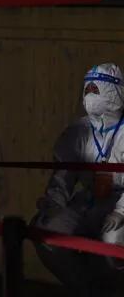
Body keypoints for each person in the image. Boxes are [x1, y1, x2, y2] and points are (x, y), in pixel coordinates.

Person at [32, 63, 124, 296]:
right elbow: (63, 176)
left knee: (113, 242)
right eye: (88, 89)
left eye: (97, 89)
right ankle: (85, 289)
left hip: (119, 203)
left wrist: (121, 212)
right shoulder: (78, 131)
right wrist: (54, 203)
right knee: (47, 230)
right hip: (88, 201)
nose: (90, 94)